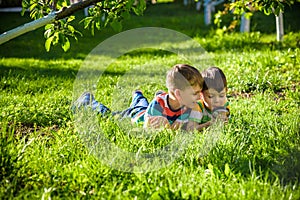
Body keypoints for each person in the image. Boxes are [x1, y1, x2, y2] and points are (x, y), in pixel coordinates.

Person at [73, 64, 206, 131]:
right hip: (135, 117)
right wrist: (164, 125)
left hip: (144, 109)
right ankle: (88, 101)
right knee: (108, 115)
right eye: (195, 93)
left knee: (141, 105)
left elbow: (185, 126)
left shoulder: (189, 104)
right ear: (178, 94)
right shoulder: (158, 105)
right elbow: (148, 128)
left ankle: (138, 95)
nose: (199, 96)